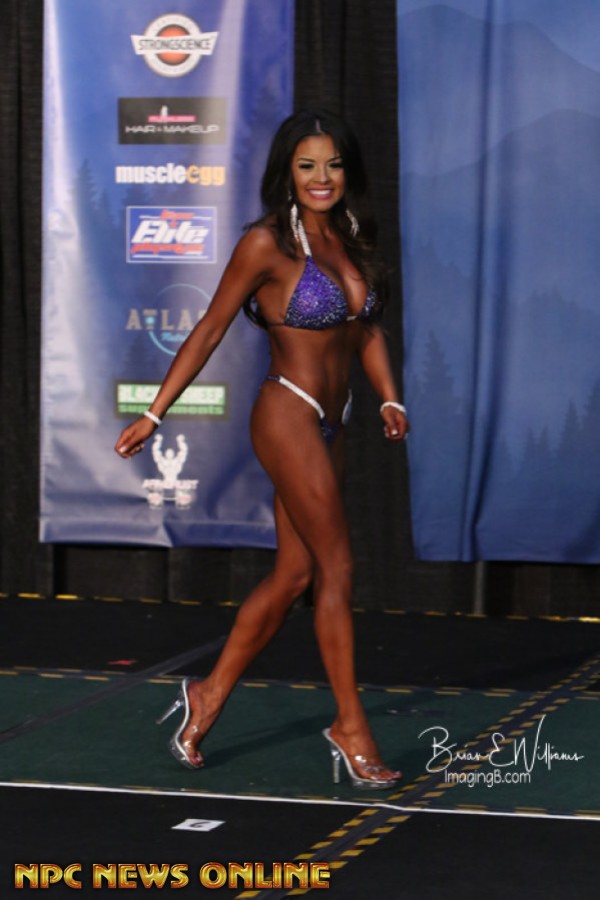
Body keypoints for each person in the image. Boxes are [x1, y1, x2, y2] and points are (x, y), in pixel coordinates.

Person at [115, 109, 409, 789]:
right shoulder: (266, 244)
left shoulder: (350, 235)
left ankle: (207, 694)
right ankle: (351, 726)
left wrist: (389, 397)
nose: (322, 177)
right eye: (307, 165)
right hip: (287, 415)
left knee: (296, 576)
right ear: (287, 172)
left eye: (333, 164)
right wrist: (155, 413)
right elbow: (209, 329)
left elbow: (366, 329)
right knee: (337, 568)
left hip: (334, 421)